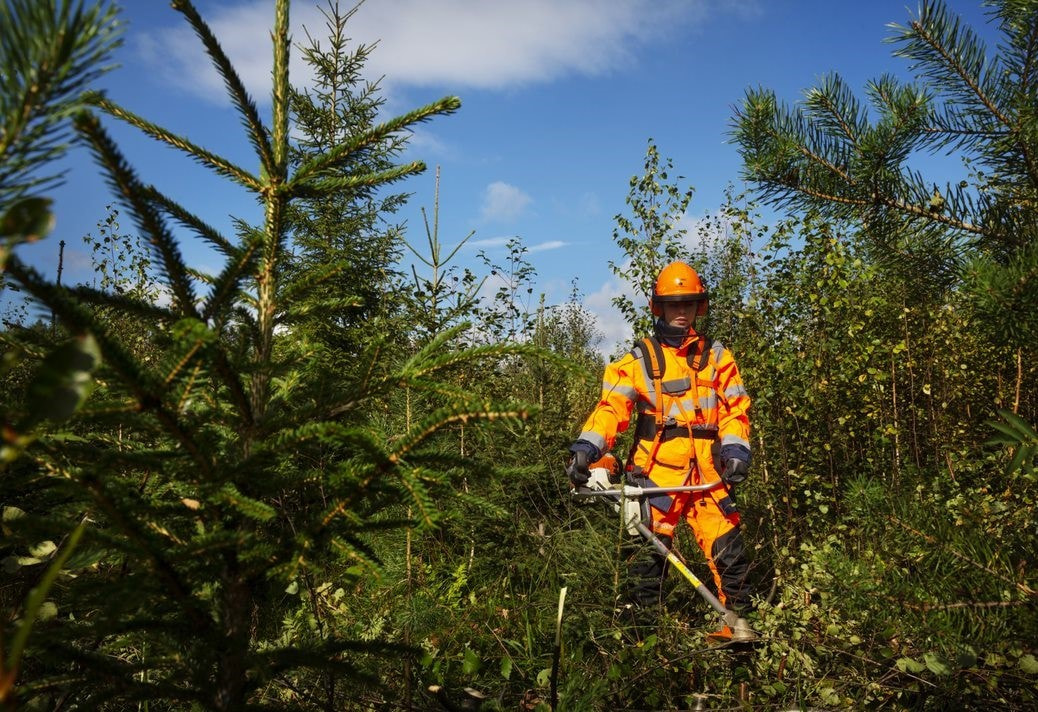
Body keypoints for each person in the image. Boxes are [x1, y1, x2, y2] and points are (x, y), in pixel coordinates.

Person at [567, 261, 755, 643]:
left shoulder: (718, 358)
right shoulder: (638, 361)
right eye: (674, 305)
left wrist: (736, 451)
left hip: (708, 478)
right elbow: (610, 410)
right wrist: (587, 448)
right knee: (645, 570)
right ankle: (642, 646)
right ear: (660, 308)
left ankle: (742, 636)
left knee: (732, 559)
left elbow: (736, 410)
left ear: (699, 306)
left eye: (688, 304)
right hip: (656, 481)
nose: (681, 312)